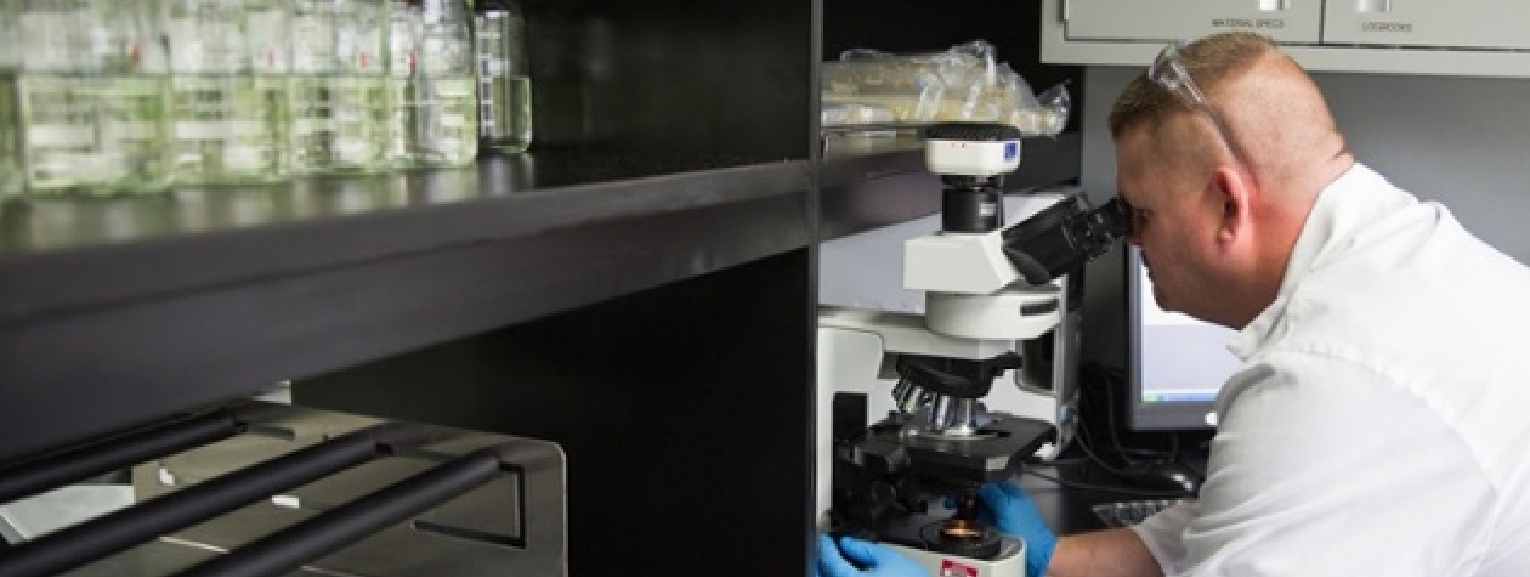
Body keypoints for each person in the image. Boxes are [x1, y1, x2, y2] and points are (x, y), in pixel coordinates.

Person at [818, 31, 1530, 577]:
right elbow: (1236, 518)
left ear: (1228, 202)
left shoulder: (1337, 373)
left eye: (1140, 214)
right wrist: (1051, 558)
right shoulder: (1400, 262)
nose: (1129, 242)